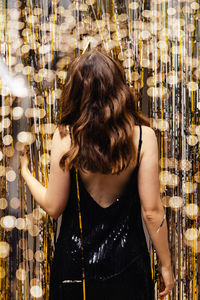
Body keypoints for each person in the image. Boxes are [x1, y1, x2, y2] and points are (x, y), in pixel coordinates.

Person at [20, 49, 175, 300]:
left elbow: (53, 206)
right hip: (129, 265)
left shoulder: (65, 136)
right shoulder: (144, 137)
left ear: (76, 91)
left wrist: (26, 172)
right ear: (118, 88)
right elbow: (152, 211)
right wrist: (165, 264)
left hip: (74, 269)